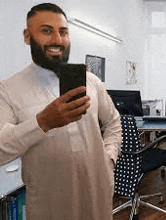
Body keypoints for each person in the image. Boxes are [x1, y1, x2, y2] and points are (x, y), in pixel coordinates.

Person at [0, 3, 121, 220]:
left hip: (98, 196)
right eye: (46, 31)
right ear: (27, 36)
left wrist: (109, 158)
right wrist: (42, 122)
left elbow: (113, 121)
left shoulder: (91, 81)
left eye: (63, 32)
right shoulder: (8, 89)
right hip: (50, 205)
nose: (57, 39)